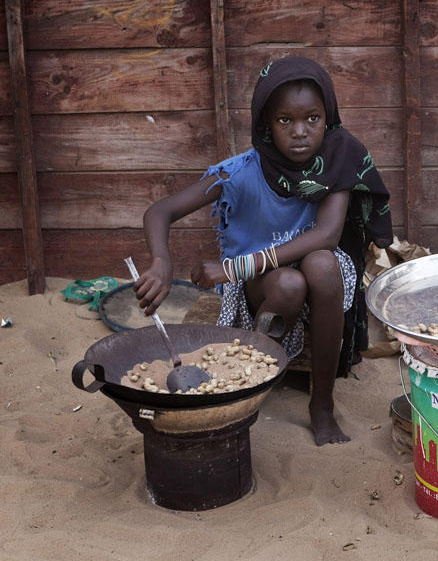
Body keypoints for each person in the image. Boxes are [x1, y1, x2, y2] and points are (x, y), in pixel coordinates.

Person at [133, 56, 392, 445]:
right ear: (266, 125)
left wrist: (234, 266)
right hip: (262, 286)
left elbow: (327, 235)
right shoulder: (240, 171)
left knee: (321, 264)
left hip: (302, 273)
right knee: (288, 283)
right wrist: (161, 263)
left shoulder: (340, 156)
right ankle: (250, 378)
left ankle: (321, 406)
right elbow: (161, 210)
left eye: (313, 119)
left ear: (328, 118)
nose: (300, 132)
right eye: (285, 120)